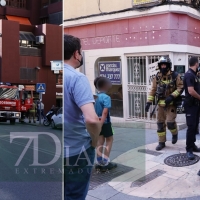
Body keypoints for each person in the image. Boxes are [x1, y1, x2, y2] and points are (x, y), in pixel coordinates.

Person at [64, 34, 102, 200]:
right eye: (80, 52)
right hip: (77, 151)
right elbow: (92, 119)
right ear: (75, 54)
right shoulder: (77, 78)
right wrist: (94, 141)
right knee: (75, 195)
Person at [145, 56, 184, 151]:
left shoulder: (175, 76)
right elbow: (153, 90)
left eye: (164, 64)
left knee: (170, 123)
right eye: (161, 65)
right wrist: (148, 102)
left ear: (168, 65)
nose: (163, 66)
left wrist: (172, 96)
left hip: (171, 104)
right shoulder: (157, 77)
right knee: (160, 124)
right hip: (160, 105)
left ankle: (175, 134)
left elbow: (180, 87)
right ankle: (161, 142)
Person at [94, 77, 117, 172]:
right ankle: (106, 162)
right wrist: (102, 123)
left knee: (100, 141)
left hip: (97, 121)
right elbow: (105, 112)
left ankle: (99, 162)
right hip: (105, 122)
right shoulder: (106, 97)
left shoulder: (95, 97)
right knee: (109, 140)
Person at [183, 56, 200, 160]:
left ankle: (192, 145)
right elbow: (191, 91)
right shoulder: (189, 75)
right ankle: (189, 149)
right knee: (191, 127)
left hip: (196, 105)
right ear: (196, 64)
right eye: (198, 63)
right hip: (191, 106)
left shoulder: (195, 75)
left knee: (195, 126)